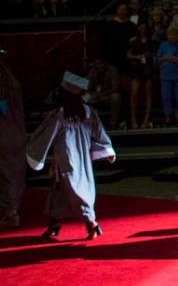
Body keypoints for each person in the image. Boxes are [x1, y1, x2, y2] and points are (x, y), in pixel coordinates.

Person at [27, 71, 116, 240]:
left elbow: (44, 135)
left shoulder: (62, 114)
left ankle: (92, 223)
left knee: (75, 189)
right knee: (61, 191)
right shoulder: (85, 112)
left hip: (67, 157)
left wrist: (107, 150)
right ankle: (54, 224)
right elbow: (99, 133)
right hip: (77, 157)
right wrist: (107, 149)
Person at [0, 50, 26, 228]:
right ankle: (12, 210)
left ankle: (10, 213)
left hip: (3, 134)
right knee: (14, 174)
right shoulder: (13, 84)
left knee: (5, 175)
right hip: (17, 133)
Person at [125, 23, 154, 129]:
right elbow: (128, 55)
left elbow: (154, 54)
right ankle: (133, 120)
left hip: (148, 69)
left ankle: (146, 119)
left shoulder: (151, 41)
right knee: (134, 93)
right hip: (136, 69)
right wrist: (137, 57)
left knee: (148, 94)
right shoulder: (133, 41)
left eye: (144, 27)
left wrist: (148, 56)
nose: (142, 29)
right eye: (140, 28)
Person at [85, 58, 122, 129]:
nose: (97, 66)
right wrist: (91, 93)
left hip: (108, 95)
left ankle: (113, 123)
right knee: (84, 97)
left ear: (105, 64)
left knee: (116, 97)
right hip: (97, 95)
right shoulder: (93, 71)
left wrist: (98, 95)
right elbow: (88, 88)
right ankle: (87, 123)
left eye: (99, 64)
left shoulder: (113, 71)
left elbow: (115, 88)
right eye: (95, 64)